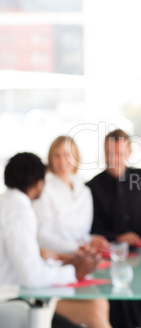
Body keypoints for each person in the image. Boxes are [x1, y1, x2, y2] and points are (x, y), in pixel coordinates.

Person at [0, 152, 101, 328]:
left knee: (96, 306)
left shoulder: (7, 203)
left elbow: (24, 263)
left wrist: (66, 263)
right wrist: (74, 272)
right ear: (36, 181)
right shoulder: (19, 212)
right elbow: (30, 277)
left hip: (14, 300)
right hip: (12, 304)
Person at [32, 136, 111, 328]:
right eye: (57, 155)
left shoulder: (84, 191)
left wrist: (93, 240)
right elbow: (42, 237)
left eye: (68, 155)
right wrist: (79, 246)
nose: (62, 161)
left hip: (81, 266)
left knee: (101, 303)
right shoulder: (44, 189)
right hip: (54, 267)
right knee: (96, 312)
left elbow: (81, 233)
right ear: (50, 159)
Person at [87, 129, 141, 328]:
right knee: (122, 297)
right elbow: (91, 228)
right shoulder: (92, 187)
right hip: (112, 262)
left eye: (118, 153)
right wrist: (117, 238)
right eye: (109, 153)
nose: (113, 159)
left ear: (129, 153)